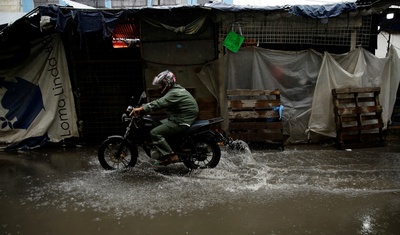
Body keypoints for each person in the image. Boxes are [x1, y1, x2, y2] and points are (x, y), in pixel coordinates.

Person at [130, 70, 199, 165]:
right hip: (178, 117)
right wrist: (143, 106)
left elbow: (160, 103)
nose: (160, 87)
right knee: (156, 125)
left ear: (167, 83)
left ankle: (171, 155)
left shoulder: (174, 93)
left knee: (154, 133)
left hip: (181, 120)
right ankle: (165, 149)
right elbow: (161, 101)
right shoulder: (175, 90)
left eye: (161, 85)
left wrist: (142, 109)